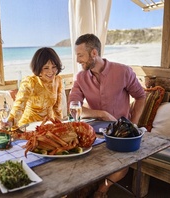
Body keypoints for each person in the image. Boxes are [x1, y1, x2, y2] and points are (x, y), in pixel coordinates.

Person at [68, 34, 146, 198]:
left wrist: (132, 127)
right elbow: (74, 106)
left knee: (122, 165)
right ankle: (86, 185)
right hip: (95, 132)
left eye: (80, 55)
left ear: (94, 53)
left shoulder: (123, 71)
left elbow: (140, 96)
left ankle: (102, 189)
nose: (77, 60)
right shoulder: (80, 78)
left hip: (120, 134)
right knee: (77, 157)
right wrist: (101, 114)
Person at [7, 47, 64, 128]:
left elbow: (57, 109)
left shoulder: (58, 80)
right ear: (38, 67)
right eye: (46, 68)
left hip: (48, 127)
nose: (51, 71)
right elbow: (19, 106)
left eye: (54, 67)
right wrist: (10, 121)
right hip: (28, 127)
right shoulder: (29, 82)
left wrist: (60, 126)